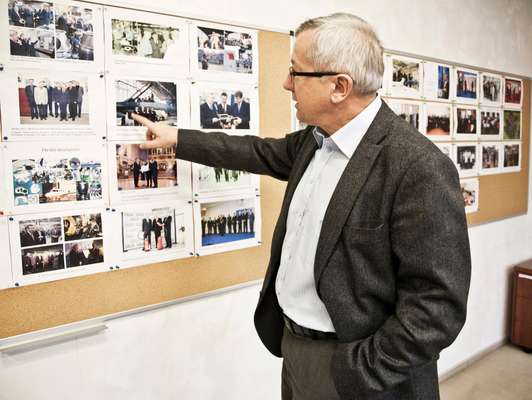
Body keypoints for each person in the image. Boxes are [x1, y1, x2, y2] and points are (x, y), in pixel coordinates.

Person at [132, 13, 471, 400]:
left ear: (339, 87)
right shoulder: (315, 141)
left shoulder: (417, 167)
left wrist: (357, 371)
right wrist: (178, 138)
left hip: (362, 372)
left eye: (297, 72)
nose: (285, 84)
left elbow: (437, 307)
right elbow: (255, 151)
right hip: (295, 347)